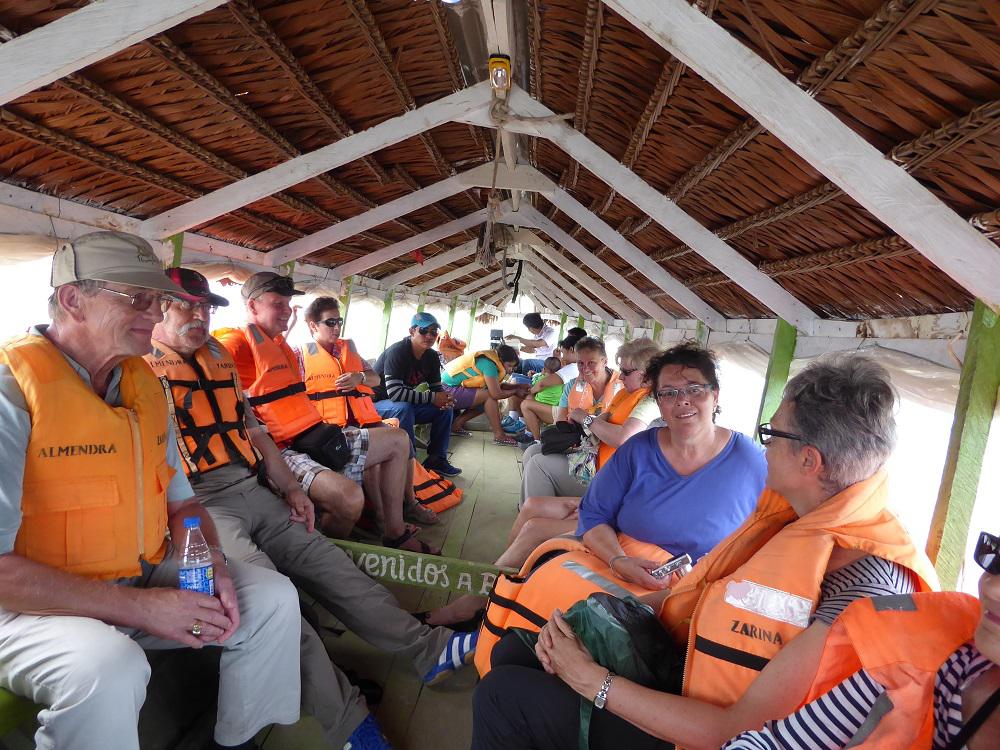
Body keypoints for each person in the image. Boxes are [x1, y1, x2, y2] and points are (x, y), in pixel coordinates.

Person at [472, 354, 940, 750]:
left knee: (503, 694)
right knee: (515, 651)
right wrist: (617, 611)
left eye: (772, 435)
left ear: (809, 460)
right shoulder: (799, 520)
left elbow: (736, 731)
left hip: (708, 733)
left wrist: (593, 681)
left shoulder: (862, 594)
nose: (764, 447)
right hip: (688, 672)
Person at [145, 268, 478, 749]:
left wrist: (290, 488)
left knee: (333, 566)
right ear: (156, 306)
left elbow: (254, 431)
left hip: (251, 484)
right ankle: (348, 722)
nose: (198, 316)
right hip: (196, 505)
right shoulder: (138, 370)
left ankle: (429, 650)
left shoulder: (216, 357)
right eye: (184, 305)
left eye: (204, 307)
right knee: (273, 603)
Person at [0, 232, 301, 750]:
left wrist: (211, 567)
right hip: (25, 605)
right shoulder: (12, 389)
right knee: (108, 667)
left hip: (132, 572)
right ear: (72, 299)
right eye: (136, 298)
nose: (155, 311)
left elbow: (184, 505)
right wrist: (142, 609)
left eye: (157, 299)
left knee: (272, 598)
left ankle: (235, 741)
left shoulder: (144, 385)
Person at [424, 339, 671, 629]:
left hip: (611, 498)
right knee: (531, 505)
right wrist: (587, 423)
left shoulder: (651, 404)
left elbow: (621, 437)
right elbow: (598, 423)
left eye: (626, 372)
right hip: (605, 488)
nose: (622, 376)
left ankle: (483, 599)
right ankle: (504, 574)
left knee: (534, 523)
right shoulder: (625, 395)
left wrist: (587, 420)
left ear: (648, 375)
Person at [215, 273, 431, 553]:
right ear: (252, 306)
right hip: (281, 449)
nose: (286, 311)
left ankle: (395, 532)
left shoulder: (281, 346)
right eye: (278, 304)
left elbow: (372, 380)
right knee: (351, 499)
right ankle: (326, 551)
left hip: (313, 436)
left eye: (288, 304)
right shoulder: (234, 345)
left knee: (398, 439)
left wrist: (358, 379)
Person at [721, 532, 999, 748]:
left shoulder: (872, 579)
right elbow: (777, 743)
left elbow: (731, 725)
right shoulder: (939, 658)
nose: (992, 588)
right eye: (995, 553)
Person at [300, 296, 438, 527]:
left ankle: (409, 503)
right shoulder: (300, 356)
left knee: (405, 442)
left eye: (339, 321)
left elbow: (375, 379)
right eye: (330, 322)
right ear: (313, 326)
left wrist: (360, 377)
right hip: (332, 428)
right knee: (383, 449)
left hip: (364, 418)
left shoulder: (348, 350)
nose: (337, 327)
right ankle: (383, 516)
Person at [519, 337, 634, 505]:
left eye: (591, 363)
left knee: (538, 464)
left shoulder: (624, 388)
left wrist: (584, 421)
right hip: (576, 446)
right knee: (531, 452)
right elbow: (560, 421)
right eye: (581, 363)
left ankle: (539, 513)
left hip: (602, 458)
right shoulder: (572, 386)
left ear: (605, 361)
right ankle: (529, 509)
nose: (585, 368)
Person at [372, 312, 460, 477]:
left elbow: (436, 389)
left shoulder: (432, 356)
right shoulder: (398, 352)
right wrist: (433, 398)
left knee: (444, 409)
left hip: (401, 404)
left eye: (433, 332)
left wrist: (445, 399)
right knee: (403, 408)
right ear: (412, 331)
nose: (429, 336)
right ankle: (409, 463)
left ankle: (436, 459)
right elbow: (395, 393)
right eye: (424, 331)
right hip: (375, 405)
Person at [443, 344, 530, 446]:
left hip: (451, 389)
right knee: (489, 396)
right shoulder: (489, 364)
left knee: (485, 401)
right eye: (509, 366)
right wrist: (515, 391)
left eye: (513, 367)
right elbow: (496, 393)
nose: (511, 370)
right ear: (501, 360)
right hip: (445, 391)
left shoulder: (492, 360)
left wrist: (519, 386)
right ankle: (499, 436)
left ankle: (455, 426)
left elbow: (497, 386)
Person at [519, 331, 586, 442]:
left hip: (565, 413)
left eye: (563, 352)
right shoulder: (577, 366)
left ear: (571, 350)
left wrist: (530, 391)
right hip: (569, 410)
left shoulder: (572, 368)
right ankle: (529, 433)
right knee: (530, 399)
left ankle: (537, 441)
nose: (563, 356)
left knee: (525, 404)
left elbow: (542, 383)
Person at [505, 312, 557, 376]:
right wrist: (515, 348)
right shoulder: (537, 335)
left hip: (548, 364)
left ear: (530, 328)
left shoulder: (550, 332)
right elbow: (532, 349)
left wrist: (518, 339)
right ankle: (512, 379)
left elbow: (537, 344)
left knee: (527, 363)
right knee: (517, 362)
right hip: (539, 361)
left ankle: (528, 381)